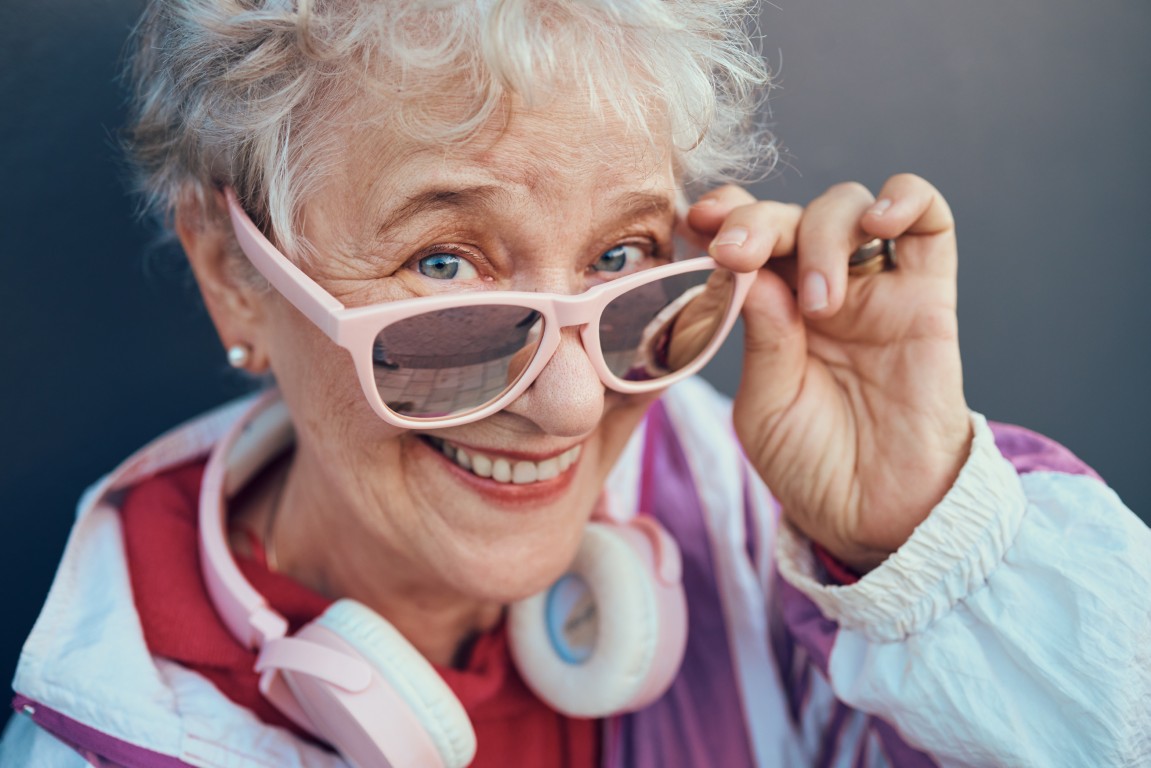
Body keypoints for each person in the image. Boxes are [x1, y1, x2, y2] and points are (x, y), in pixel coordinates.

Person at [2, 0, 1148, 766]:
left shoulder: (759, 526)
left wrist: (924, 536)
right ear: (229, 273)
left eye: (621, 260)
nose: (572, 404)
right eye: (443, 265)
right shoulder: (98, 730)